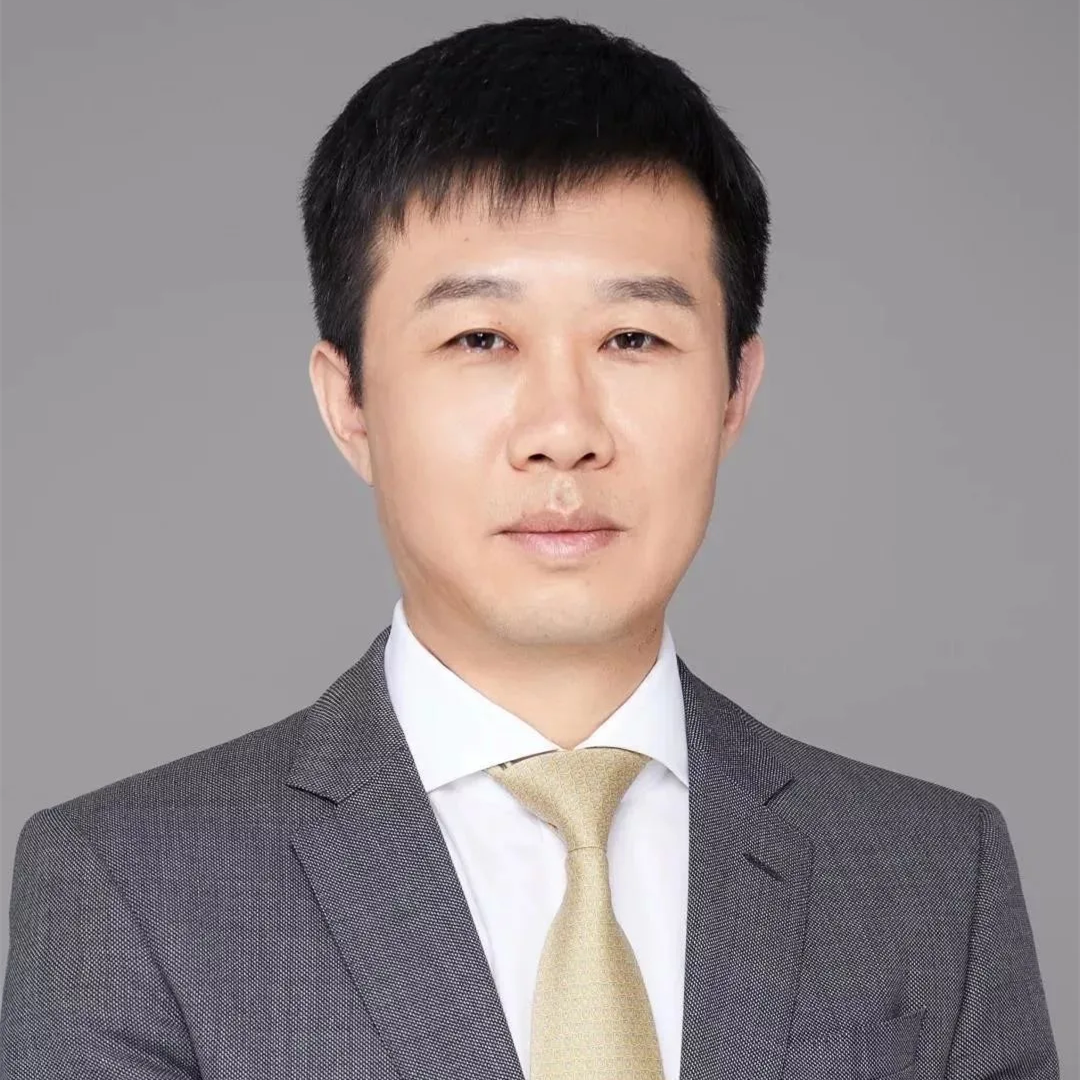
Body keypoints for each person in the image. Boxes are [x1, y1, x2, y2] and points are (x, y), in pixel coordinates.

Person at [0, 15, 1059, 1080]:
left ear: (735, 390)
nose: (564, 429)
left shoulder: (935, 879)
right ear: (350, 403)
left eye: (634, 338)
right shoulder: (129, 886)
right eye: (481, 339)